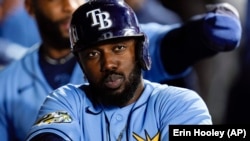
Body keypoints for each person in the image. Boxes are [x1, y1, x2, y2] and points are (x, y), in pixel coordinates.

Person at [0, 0, 241, 140]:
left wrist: (203, 34)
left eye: (118, 48)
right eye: (93, 54)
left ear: (139, 51)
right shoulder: (64, 98)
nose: (69, 6)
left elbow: (172, 45)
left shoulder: (178, 103)